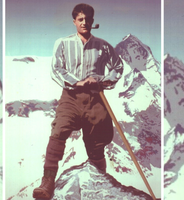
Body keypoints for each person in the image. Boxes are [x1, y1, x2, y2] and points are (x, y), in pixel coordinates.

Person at [33, 3, 123, 199]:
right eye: (80, 19)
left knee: (97, 141)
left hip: (96, 98)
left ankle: (100, 179)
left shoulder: (103, 45)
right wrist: (78, 82)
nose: (84, 23)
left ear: (92, 21)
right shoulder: (63, 43)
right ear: (74, 21)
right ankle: (47, 181)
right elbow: (56, 69)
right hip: (70, 97)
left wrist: (100, 80)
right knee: (58, 131)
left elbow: (117, 67)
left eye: (88, 19)